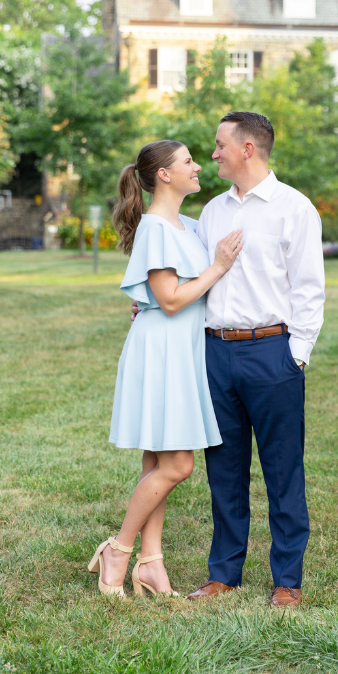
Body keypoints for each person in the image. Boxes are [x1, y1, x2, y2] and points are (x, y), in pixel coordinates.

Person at [90, 141, 244, 597]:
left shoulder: (187, 225)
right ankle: (117, 550)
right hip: (162, 351)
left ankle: (150, 563)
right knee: (177, 465)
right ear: (164, 175)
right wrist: (217, 267)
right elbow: (171, 299)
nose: (198, 166)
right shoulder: (155, 228)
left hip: (180, 350)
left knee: (158, 459)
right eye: (188, 162)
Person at [185, 112, 326, 608]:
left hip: (273, 352)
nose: (213, 154)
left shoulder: (295, 208)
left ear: (248, 149)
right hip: (216, 351)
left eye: (221, 145)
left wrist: (296, 357)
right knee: (223, 468)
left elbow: (309, 288)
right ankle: (224, 573)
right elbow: (198, 278)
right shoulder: (212, 212)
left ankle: (287, 580)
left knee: (282, 470)